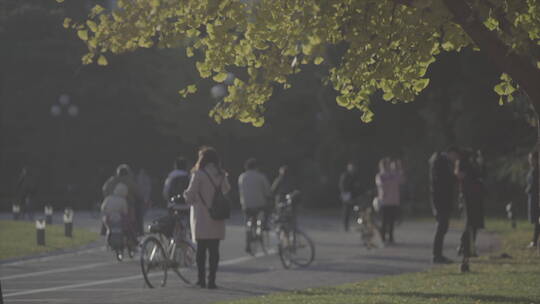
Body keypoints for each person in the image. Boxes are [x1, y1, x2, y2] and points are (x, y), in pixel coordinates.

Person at [184, 147, 230, 289]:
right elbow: (226, 189)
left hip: (201, 216)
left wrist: (186, 196)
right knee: (214, 250)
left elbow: (190, 194)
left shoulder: (199, 174)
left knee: (201, 250)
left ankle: (201, 279)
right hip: (217, 215)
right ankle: (212, 280)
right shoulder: (221, 174)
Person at [429, 146, 459, 264]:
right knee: (441, 227)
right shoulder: (440, 161)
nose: (456, 159)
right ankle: (436, 255)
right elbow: (442, 181)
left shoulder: (441, 161)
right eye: (455, 156)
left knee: (443, 227)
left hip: (441, 199)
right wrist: (455, 176)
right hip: (441, 200)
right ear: (451, 153)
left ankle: (438, 254)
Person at [238, 158, 272, 254]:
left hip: (246, 205)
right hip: (259, 205)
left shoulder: (241, 177)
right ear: (256, 167)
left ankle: (248, 241)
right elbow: (267, 191)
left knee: (248, 223)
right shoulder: (261, 177)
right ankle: (264, 225)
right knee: (266, 211)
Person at [455, 149, 485, 259]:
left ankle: (469, 248)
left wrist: (480, 164)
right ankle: (464, 247)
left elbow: (481, 176)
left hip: (476, 196)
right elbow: (459, 175)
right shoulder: (463, 163)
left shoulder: (476, 165)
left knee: (475, 223)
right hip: (467, 196)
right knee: (469, 223)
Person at [102, 164, 143, 237]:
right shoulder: (129, 181)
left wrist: (110, 197)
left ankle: (103, 230)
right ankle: (138, 231)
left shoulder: (111, 180)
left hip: (111, 204)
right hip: (127, 206)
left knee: (106, 214)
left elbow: (104, 190)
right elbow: (138, 192)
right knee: (136, 213)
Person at [375, 158, 404, 243]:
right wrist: (391, 178)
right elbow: (381, 184)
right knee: (384, 221)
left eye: (388, 164)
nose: (387, 166)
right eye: (386, 164)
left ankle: (391, 237)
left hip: (394, 201)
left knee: (392, 221)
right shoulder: (380, 175)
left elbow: (402, 180)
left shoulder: (394, 174)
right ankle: (383, 237)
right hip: (384, 202)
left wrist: (399, 168)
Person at [339, 161, 363, 231]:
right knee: (346, 210)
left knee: (358, 209)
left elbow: (357, 185)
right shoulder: (345, 175)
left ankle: (360, 224)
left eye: (353, 167)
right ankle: (345, 226)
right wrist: (344, 193)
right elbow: (342, 185)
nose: (353, 168)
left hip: (354, 195)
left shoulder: (355, 175)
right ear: (348, 167)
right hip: (347, 194)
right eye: (351, 167)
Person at [525, 150, 539, 248]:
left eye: (531, 158)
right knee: (537, 220)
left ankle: (534, 241)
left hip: (536, 197)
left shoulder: (536, 170)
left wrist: (528, 190)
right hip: (532, 197)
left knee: (537, 220)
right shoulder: (532, 169)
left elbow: (534, 184)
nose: (530, 160)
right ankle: (534, 241)